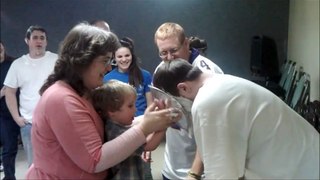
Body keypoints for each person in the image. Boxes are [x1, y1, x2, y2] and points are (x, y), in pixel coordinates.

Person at [25, 23, 181, 179]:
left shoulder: (84, 90)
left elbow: (113, 126)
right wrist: (145, 127)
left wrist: (149, 119)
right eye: (105, 61)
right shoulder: (61, 99)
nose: (108, 69)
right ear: (83, 60)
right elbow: (95, 160)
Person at [153, 59, 320, 179]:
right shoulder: (220, 82)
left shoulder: (208, 100)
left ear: (183, 88)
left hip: (302, 170)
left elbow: (222, 175)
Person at [154, 22, 223, 179]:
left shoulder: (208, 72)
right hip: (171, 165)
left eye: (174, 50)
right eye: (163, 53)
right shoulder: (161, 69)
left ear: (186, 43)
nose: (169, 58)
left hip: (203, 170)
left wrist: (195, 173)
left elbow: (214, 130)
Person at [3, 25, 58, 168]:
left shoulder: (56, 60)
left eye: (42, 38)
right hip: (29, 124)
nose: (38, 41)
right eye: (35, 38)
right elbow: (9, 92)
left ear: (46, 41)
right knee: (35, 165)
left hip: (55, 122)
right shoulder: (18, 64)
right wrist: (17, 117)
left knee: (58, 162)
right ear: (27, 41)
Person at [92, 80, 169, 179]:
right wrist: (163, 126)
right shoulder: (115, 132)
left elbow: (142, 136)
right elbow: (149, 145)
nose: (135, 110)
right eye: (130, 106)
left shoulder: (117, 125)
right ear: (112, 110)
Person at [104, 37, 154, 179]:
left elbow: (151, 106)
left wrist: (149, 138)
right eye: (120, 56)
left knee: (144, 173)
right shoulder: (107, 79)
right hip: (118, 133)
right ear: (114, 57)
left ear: (132, 55)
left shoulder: (145, 75)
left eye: (127, 55)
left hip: (142, 128)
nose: (124, 59)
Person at [0, 41, 20, 180]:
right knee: (7, 147)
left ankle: (9, 176)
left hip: (12, 112)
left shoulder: (14, 64)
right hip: (1, 113)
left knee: (10, 148)